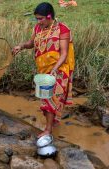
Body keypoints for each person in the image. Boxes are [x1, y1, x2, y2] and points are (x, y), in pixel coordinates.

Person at [12, 2, 75, 138]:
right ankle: (52, 123)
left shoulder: (62, 29)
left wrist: (55, 69)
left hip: (59, 69)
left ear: (49, 16)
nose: (39, 21)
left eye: (41, 18)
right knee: (45, 98)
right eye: (37, 19)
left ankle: (48, 130)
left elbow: (64, 53)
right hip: (43, 70)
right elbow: (31, 43)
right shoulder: (38, 28)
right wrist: (21, 46)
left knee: (50, 98)